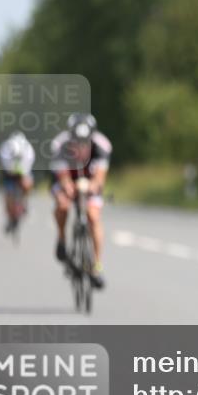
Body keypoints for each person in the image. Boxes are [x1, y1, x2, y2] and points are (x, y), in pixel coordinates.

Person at [49, 113, 112, 288]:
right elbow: (62, 177)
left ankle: (97, 267)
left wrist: (93, 186)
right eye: (76, 142)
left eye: (84, 143)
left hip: (89, 180)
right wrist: (68, 188)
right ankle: (61, 238)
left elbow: (100, 177)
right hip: (66, 178)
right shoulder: (59, 145)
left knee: (93, 216)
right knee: (62, 204)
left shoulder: (102, 145)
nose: (80, 147)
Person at [0, 130, 36, 233]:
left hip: (23, 170)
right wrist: (11, 170)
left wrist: (22, 174)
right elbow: (5, 165)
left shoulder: (28, 150)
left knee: (27, 183)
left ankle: (25, 201)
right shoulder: (5, 148)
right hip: (9, 172)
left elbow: (28, 167)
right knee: (8, 195)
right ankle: (9, 215)